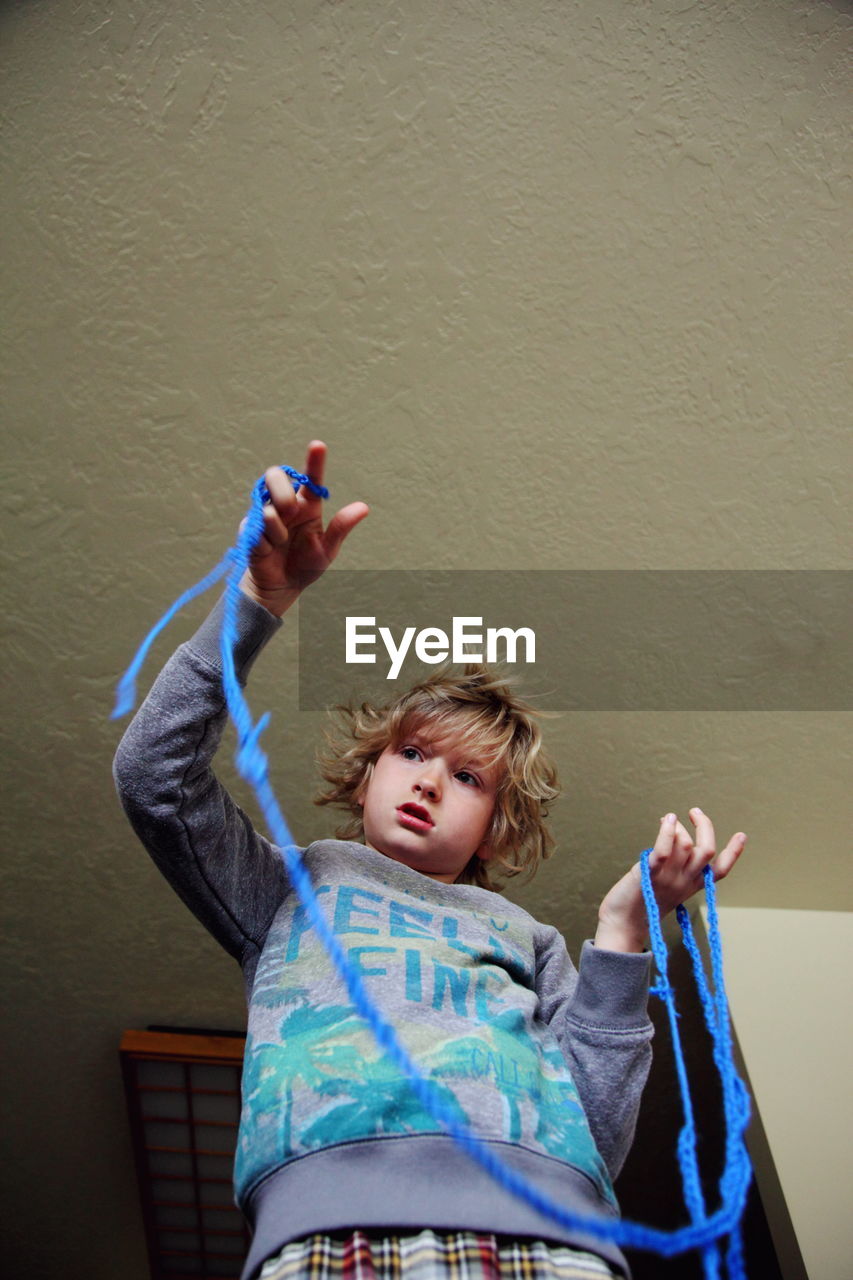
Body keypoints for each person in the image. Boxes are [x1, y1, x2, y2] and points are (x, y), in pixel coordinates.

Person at [113, 441, 746, 1280]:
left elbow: (590, 1136)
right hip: (328, 1236)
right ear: (369, 769)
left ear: (492, 829)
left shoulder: (525, 938)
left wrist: (624, 927)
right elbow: (154, 780)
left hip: (554, 1249)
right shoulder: (290, 887)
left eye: (468, 776)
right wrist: (258, 598)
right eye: (411, 752)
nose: (429, 783)